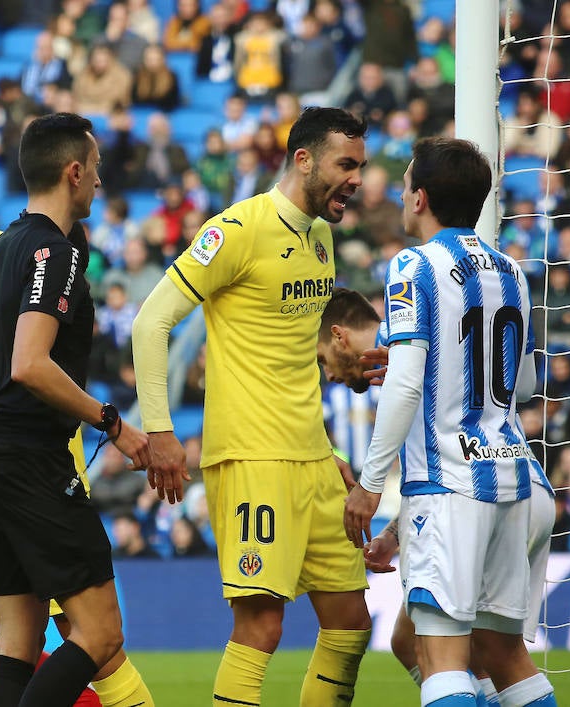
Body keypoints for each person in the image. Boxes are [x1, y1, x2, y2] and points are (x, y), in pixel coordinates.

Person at [0, 146, 158, 707]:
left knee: (22, 638)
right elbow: (27, 365)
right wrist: (115, 425)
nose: (100, 179)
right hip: (28, 464)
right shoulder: (45, 252)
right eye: (96, 167)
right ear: (75, 173)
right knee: (98, 635)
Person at [131, 106, 371, 707]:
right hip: (251, 458)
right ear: (303, 160)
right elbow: (150, 322)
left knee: (350, 623)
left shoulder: (321, 238)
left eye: (361, 167)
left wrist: (328, 445)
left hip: (311, 457)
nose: (357, 179)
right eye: (346, 164)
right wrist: (160, 430)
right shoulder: (236, 230)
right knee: (261, 627)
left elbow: (292, 354)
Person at [344, 137, 558, 707]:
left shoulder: (413, 265)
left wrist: (370, 484)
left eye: (405, 184)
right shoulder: (512, 271)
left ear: (419, 198)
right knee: (505, 656)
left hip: (449, 483)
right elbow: (524, 385)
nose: (401, 194)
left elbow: (405, 385)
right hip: (511, 473)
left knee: (439, 655)